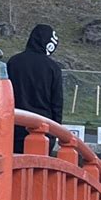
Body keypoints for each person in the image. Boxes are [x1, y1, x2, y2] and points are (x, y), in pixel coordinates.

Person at [7, 24, 63, 154]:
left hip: (15, 126)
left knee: (12, 168)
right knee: (37, 171)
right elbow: (57, 104)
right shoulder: (53, 68)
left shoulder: (13, 62)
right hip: (43, 128)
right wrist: (56, 131)